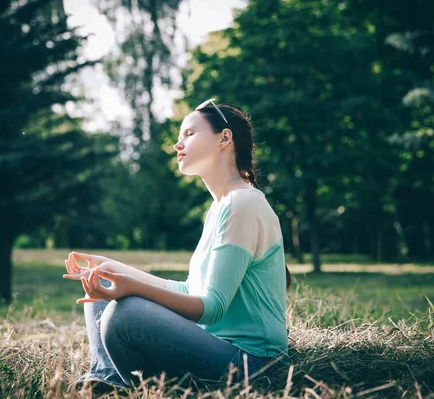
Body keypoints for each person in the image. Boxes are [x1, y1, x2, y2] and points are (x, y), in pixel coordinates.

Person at [63, 98, 291, 392]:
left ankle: (115, 382)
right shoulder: (222, 207)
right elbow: (188, 290)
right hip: (215, 346)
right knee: (102, 294)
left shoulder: (243, 204)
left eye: (189, 133)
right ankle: (109, 380)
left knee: (125, 314)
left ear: (224, 138)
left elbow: (211, 307)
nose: (177, 144)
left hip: (255, 365)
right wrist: (108, 267)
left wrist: (132, 288)